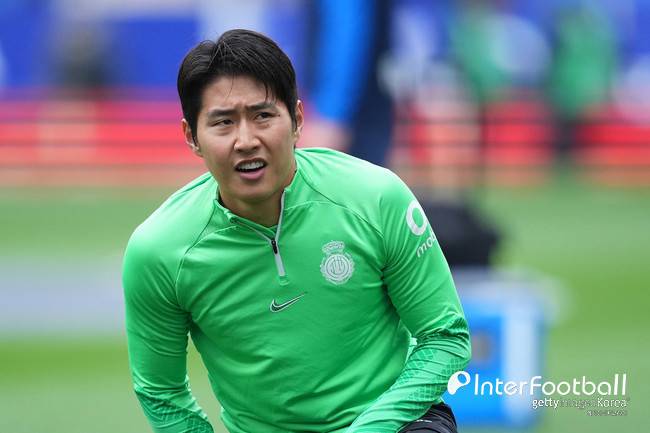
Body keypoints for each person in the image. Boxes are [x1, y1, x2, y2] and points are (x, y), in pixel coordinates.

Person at [123, 29, 470, 433]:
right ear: (191, 137)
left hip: (395, 424)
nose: (246, 140)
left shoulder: (375, 197)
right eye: (223, 122)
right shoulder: (159, 250)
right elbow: (161, 392)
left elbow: (445, 336)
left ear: (297, 120)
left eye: (263, 116)